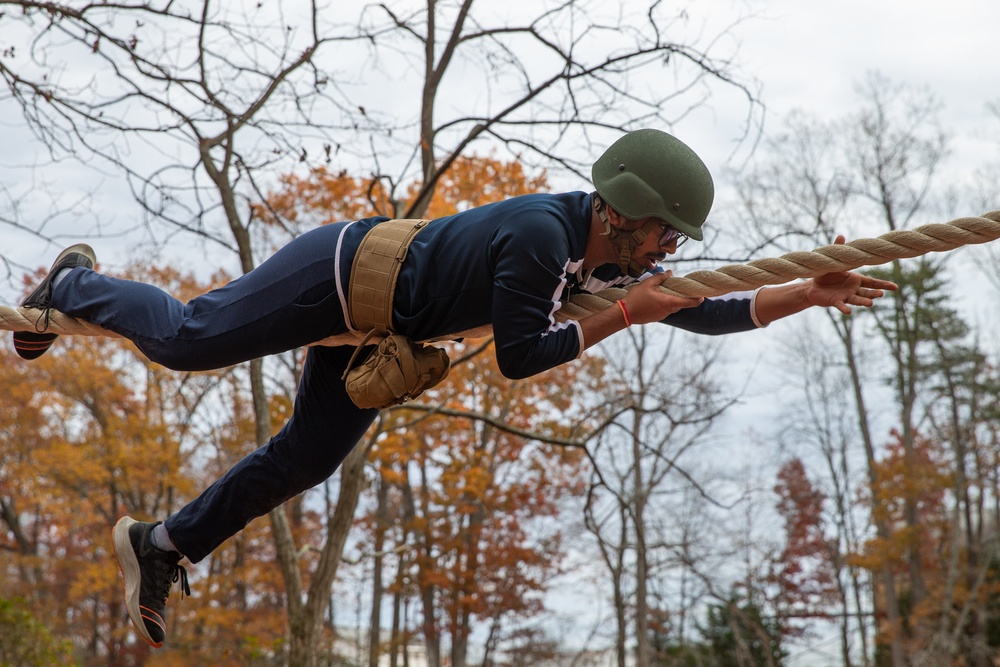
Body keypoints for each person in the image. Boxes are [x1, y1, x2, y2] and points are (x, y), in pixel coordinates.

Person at [11, 129, 896, 647]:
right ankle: (73, 283)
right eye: (667, 234)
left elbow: (699, 309)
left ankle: (163, 541)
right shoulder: (543, 240)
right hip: (339, 271)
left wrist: (803, 294)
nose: (670, 253)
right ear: (624, 213)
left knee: (308, 457)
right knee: (191, 341)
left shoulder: (597, 256)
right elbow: (522, 357)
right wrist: (623, 318)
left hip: (380, 320)